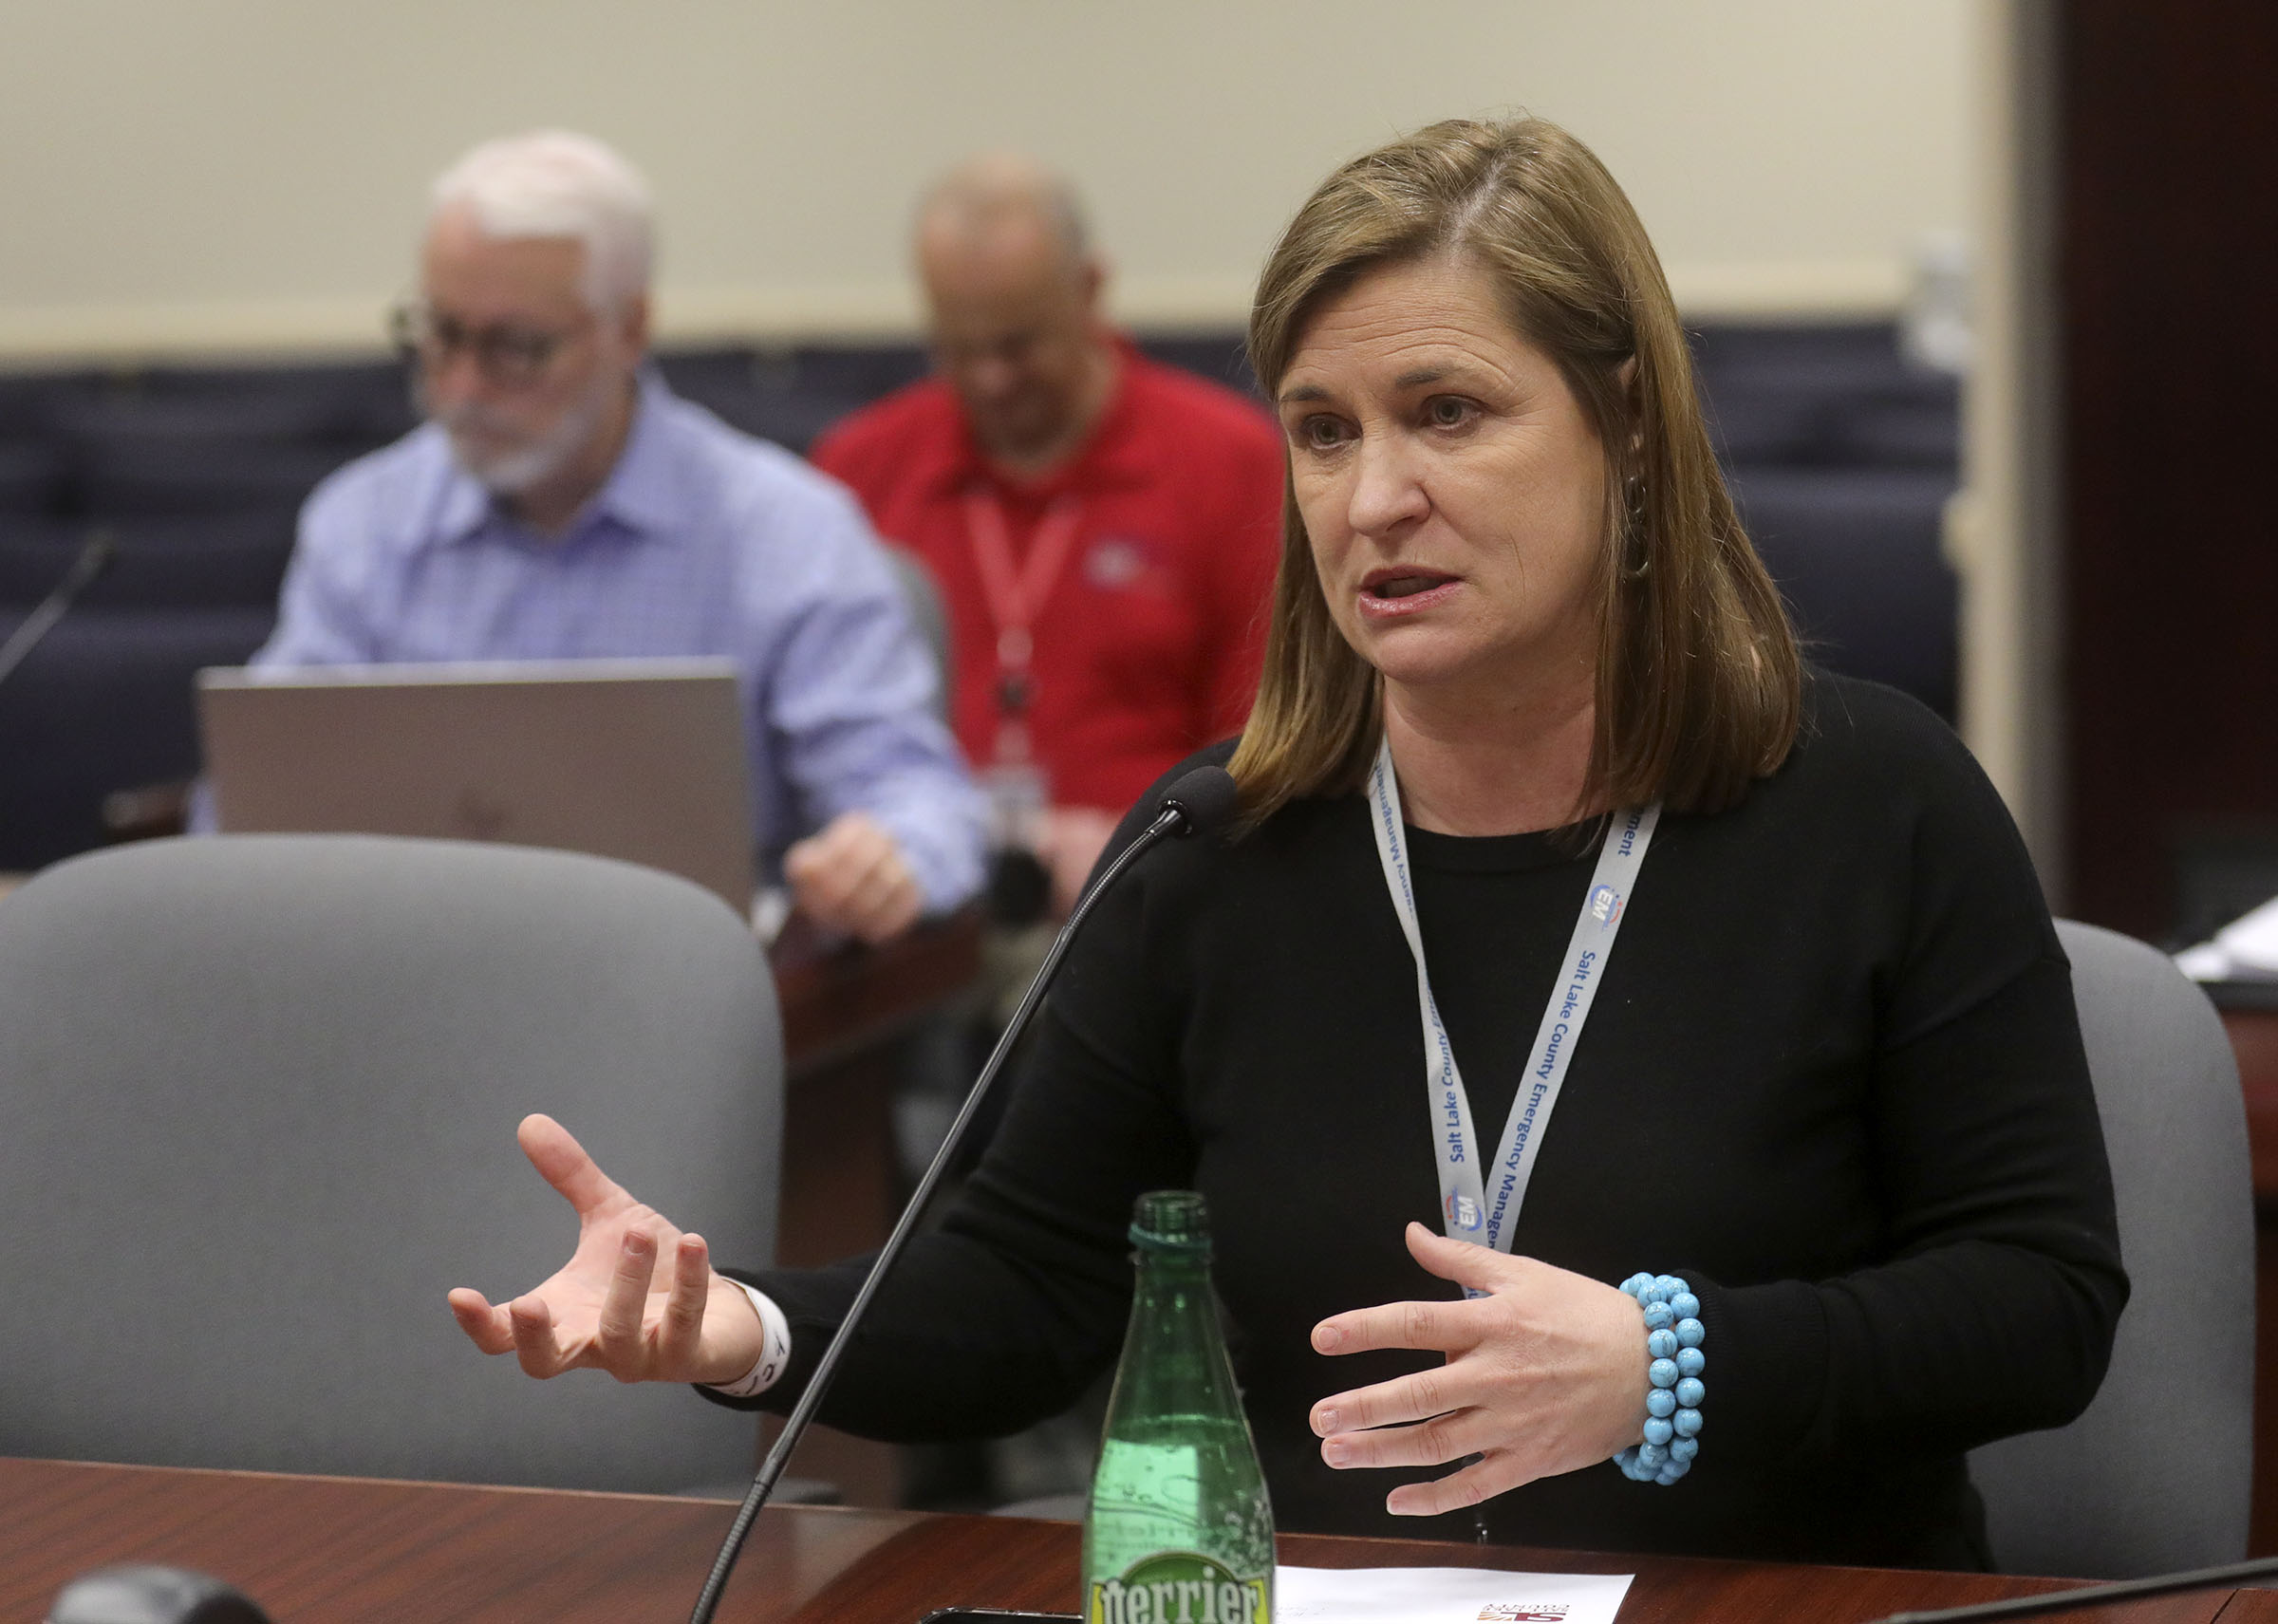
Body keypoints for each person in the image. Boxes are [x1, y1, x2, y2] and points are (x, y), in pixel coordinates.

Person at [448, 118, 2124, 1568]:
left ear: (1624, 427)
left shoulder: (1870, 800)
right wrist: (731, 1327)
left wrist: (1667, 1364)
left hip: (1776, 1596)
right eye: (1323, 431)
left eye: (1448, 412)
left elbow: (2041, 1300)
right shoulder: (1215, 846)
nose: (1371, 495)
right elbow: (1018, 1292)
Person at [237, 131, 984, 943]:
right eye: (441, 334)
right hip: (401, 984)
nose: (461, 387)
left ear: (629, 330)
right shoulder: (366, 525)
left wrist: (881, 860)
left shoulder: (783, 530)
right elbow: (261, 802)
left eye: (516, 348)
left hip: (693, 1009)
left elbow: (917, 798)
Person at [810, 154, 1284, 917]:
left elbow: (1265, 747)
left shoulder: (1230, 462)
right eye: (960, 349)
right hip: (920, 920)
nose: (992, 378)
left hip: (1159, 902)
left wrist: (1138, 843)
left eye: (1018, 344)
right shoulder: (859, 469)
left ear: (1091, 290)